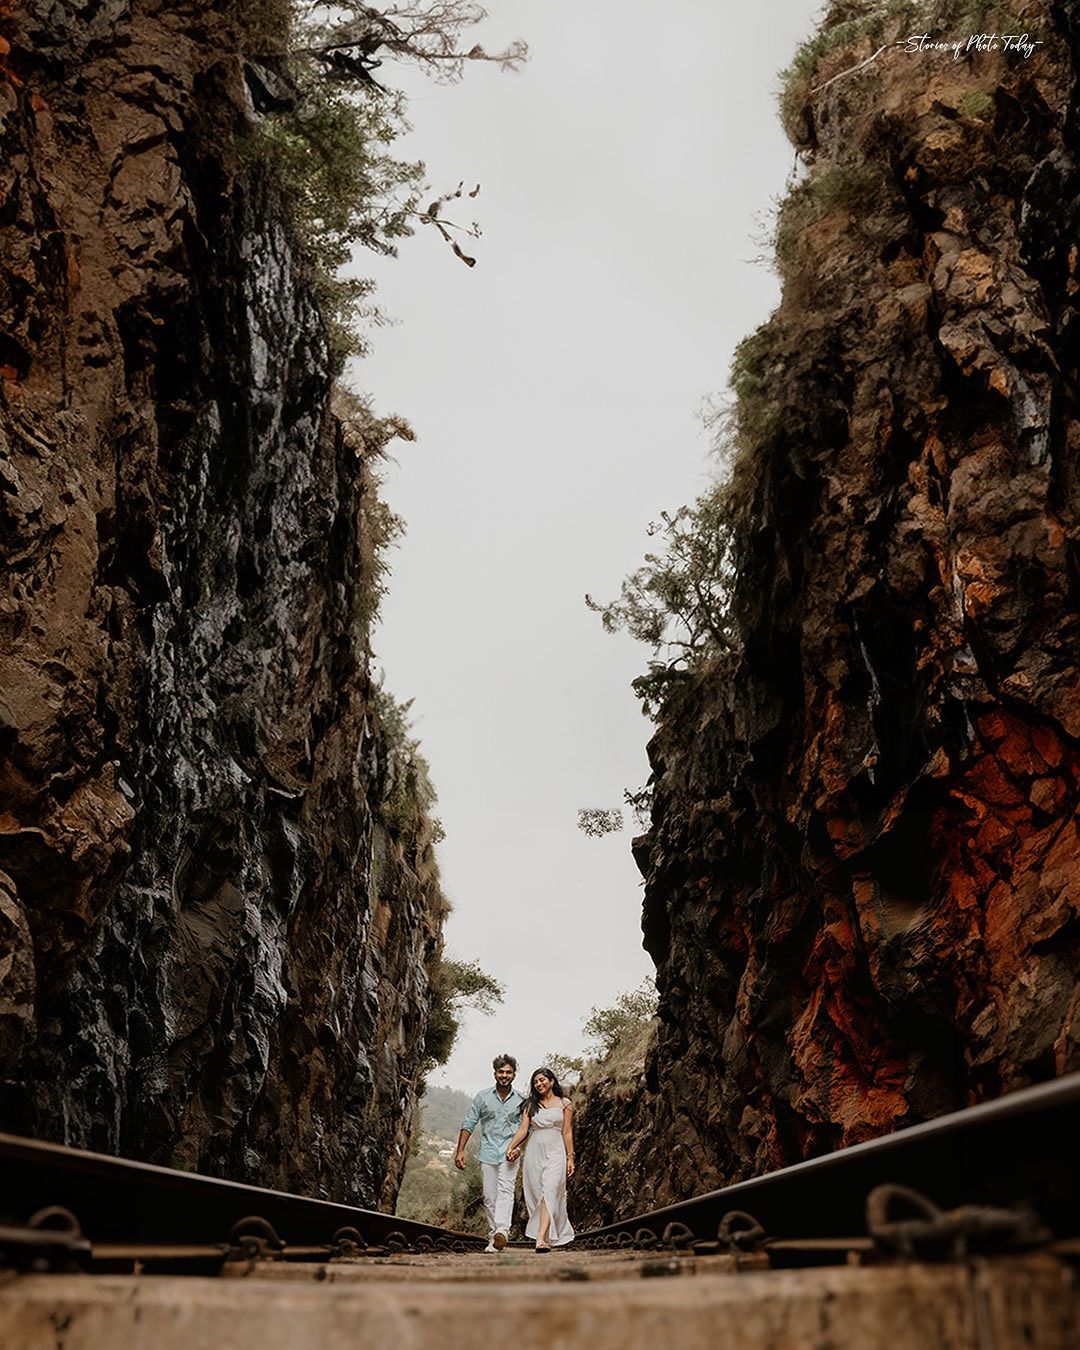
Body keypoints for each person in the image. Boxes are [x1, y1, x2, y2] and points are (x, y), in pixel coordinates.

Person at [455, 1053, 525, 1252]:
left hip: (510, 1152)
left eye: (508, 1072)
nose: (504, 1075)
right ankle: (495, 1235)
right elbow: (469, 1122)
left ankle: (501, 1231)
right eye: (501, 1072)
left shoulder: (521, 1100)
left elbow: (525, 1128)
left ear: (514, 1075)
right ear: (495, 1074)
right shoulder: (482, 1096)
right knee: (489, 1196)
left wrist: (518, 1148)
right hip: (487, 1152)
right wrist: (460, 1150)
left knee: (506, 1189)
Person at [505, 1066, 575, 1251]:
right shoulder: (530, 1105)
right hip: (535, 1151)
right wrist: (511, 1147)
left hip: (556, 1150)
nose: (539, 1084)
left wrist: (570, 1158)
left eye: (542, 1080)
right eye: (535, 1082)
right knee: (537, 1193)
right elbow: (522, 1130)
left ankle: (541, 1238)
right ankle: (544, 1233)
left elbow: (567, 1132)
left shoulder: (565, 1103)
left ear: (551, 1081)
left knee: (550, 1189)